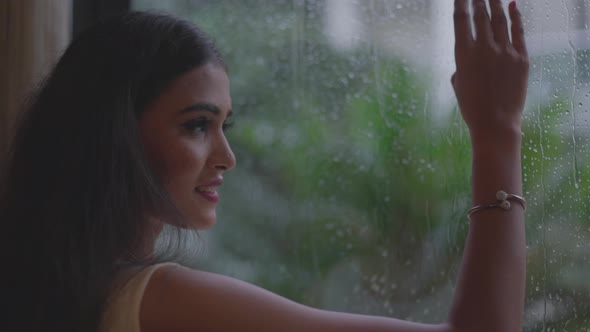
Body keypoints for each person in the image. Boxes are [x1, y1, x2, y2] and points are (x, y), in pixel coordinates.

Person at [0, 0, 529, 331]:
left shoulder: (58, 291)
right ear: (113, 133)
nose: (226, 158)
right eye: (196, 125)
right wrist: (497, 133)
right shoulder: (159, 300)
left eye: (223, 126)